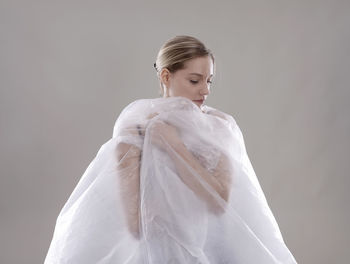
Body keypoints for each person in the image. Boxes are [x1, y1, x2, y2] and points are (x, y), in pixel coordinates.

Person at [44, 35, 298, 263]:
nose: (206, 90)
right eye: (195, 80)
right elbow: (134, 224)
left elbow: (219, 201)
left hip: (214, 253)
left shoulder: (219, 127)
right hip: (154, 254)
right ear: (166, 76)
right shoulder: (135, 129)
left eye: (209, 81)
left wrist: (173, 146)